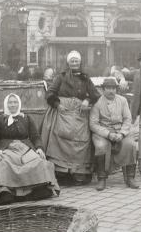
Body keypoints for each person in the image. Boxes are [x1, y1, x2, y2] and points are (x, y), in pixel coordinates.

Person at [0, 93, 60, 205]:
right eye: (10, 102)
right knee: (2, 164)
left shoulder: (26, 118)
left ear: (19, 104)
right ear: (6, 104)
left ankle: (39, 188)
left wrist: (39, 148)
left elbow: (36, 136)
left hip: (25, 149)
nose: (13, 105)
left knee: (39, 161)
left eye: (15, 102)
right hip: (6, 149)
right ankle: (6, 192)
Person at [41, 50, 100, 185]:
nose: (74, 63)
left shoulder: (85, 78)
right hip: (63, 113)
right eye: (72, 61)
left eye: (76, 61)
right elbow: (50, 93)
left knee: (81, 142)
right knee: (60, 140)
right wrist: (57, 104)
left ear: (80, 62)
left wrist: (87, 100)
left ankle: (78, 173)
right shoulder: (60, 77)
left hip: (80, 115)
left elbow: (95, 95)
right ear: (68, 63)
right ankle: (61, 173)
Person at [89, 78, 139, 191]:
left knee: (131, 144)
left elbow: (127, 119)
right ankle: (102, 178)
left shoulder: (123, 100)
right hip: (103, 132)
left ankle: (130, 178)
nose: (111, 91)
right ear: (103, 89)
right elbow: (93, 124)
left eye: (113, 88)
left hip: (120, 130)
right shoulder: (97, 102)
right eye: (108, 88)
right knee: (101, 146)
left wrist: (122, 133)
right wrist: (108, 134)